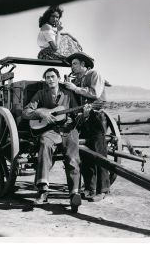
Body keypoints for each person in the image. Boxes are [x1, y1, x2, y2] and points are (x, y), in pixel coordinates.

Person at [22, 67, 82, 212]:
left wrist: (82, 113)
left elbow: (77, 113)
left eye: (52, 77)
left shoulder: (68, 94)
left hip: (68, 130)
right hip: (50, 131)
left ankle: (75, 194)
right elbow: (26, 112)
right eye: (47, 77)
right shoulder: (41, 94)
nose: (50, 79)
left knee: (73, 157)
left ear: (58, 78)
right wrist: (41, 113)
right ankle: (43, 191)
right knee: (44, 144)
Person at [64, 52, 110, 202]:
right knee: (85, 154)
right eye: (72, 64)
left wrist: (74, 88)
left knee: (99, 152)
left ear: (83, 64)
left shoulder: (94, 74)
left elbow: (95, 93)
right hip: (84, 118)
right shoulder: (79, 79)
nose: (72, 66)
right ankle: (89, 188)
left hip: (96, 117)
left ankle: (102, 190)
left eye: (75, 64)